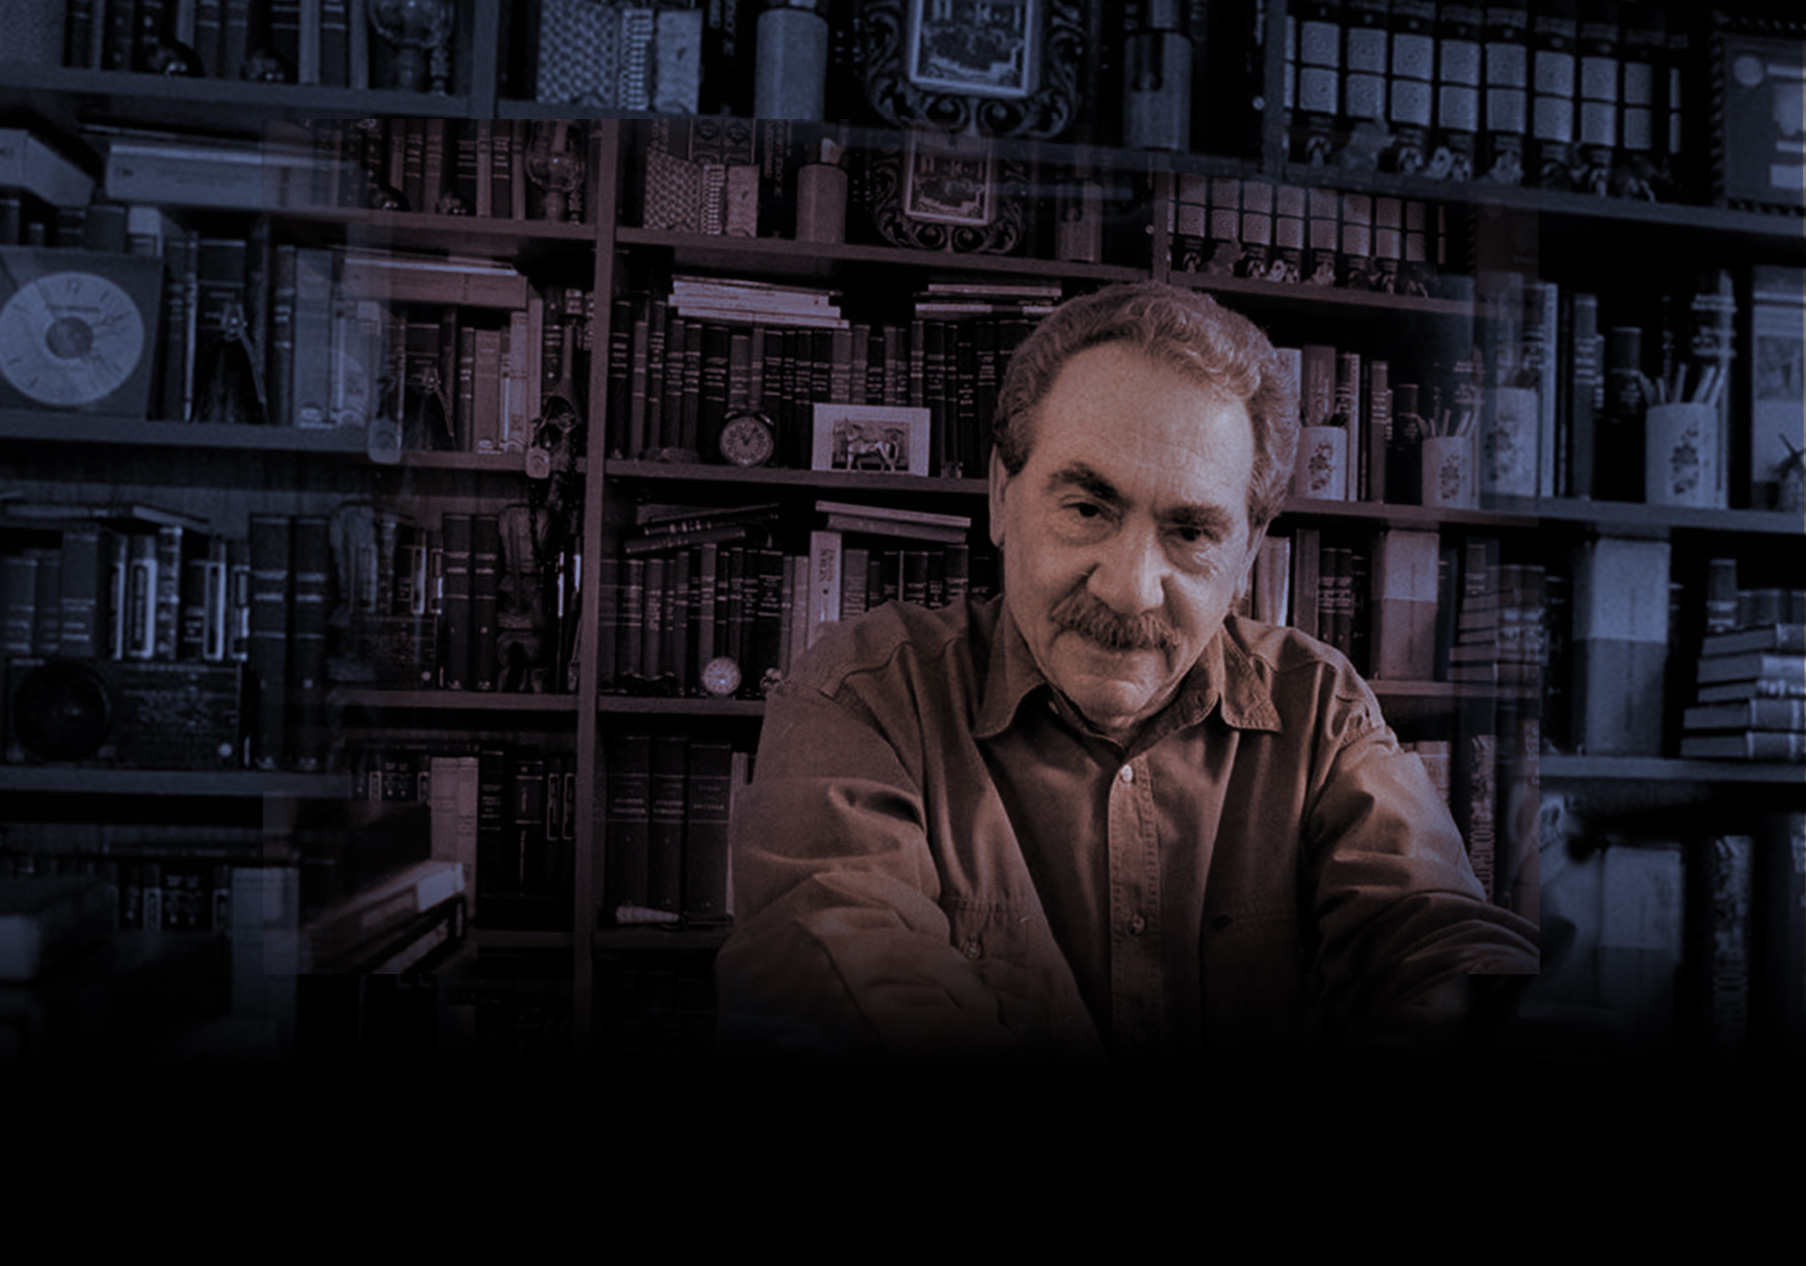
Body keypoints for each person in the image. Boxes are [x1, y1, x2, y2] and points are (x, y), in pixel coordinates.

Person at [714, 281, 1538, 1063]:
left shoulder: (1320, 706)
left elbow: (1439, 951)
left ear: (1249, 551)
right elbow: (850, 994)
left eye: (1192, 532)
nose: (1131, 587)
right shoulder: (863, 696)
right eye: (1086, 509)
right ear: (1001, 496)